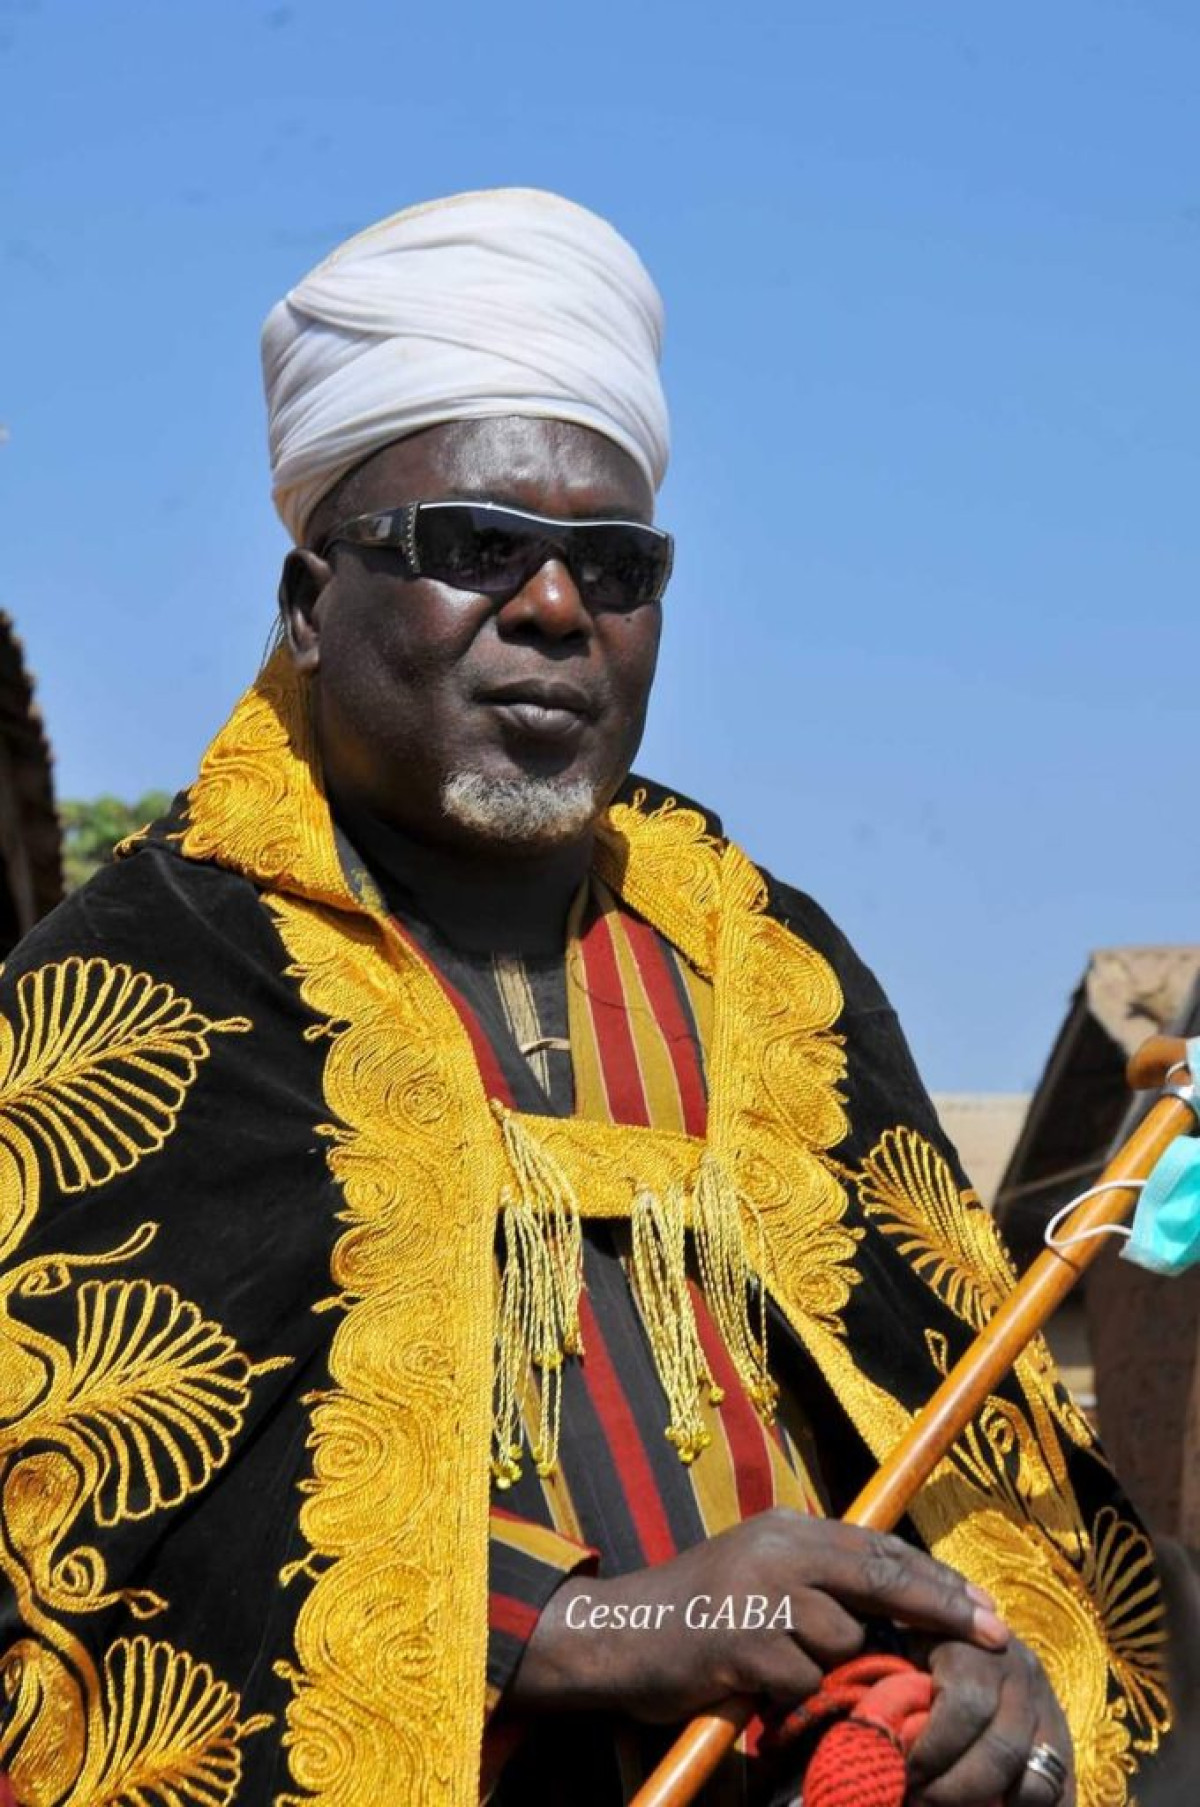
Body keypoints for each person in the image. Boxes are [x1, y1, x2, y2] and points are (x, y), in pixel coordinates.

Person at [0, 190, 1171, 1807]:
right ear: (305, 604)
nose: (557, 610)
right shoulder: (123, 997)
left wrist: (986, 1666)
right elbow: (71, 1550)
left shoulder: (778, 971)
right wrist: (578, 1623)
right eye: (476, 548)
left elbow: (981, 1456)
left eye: (614, 566)